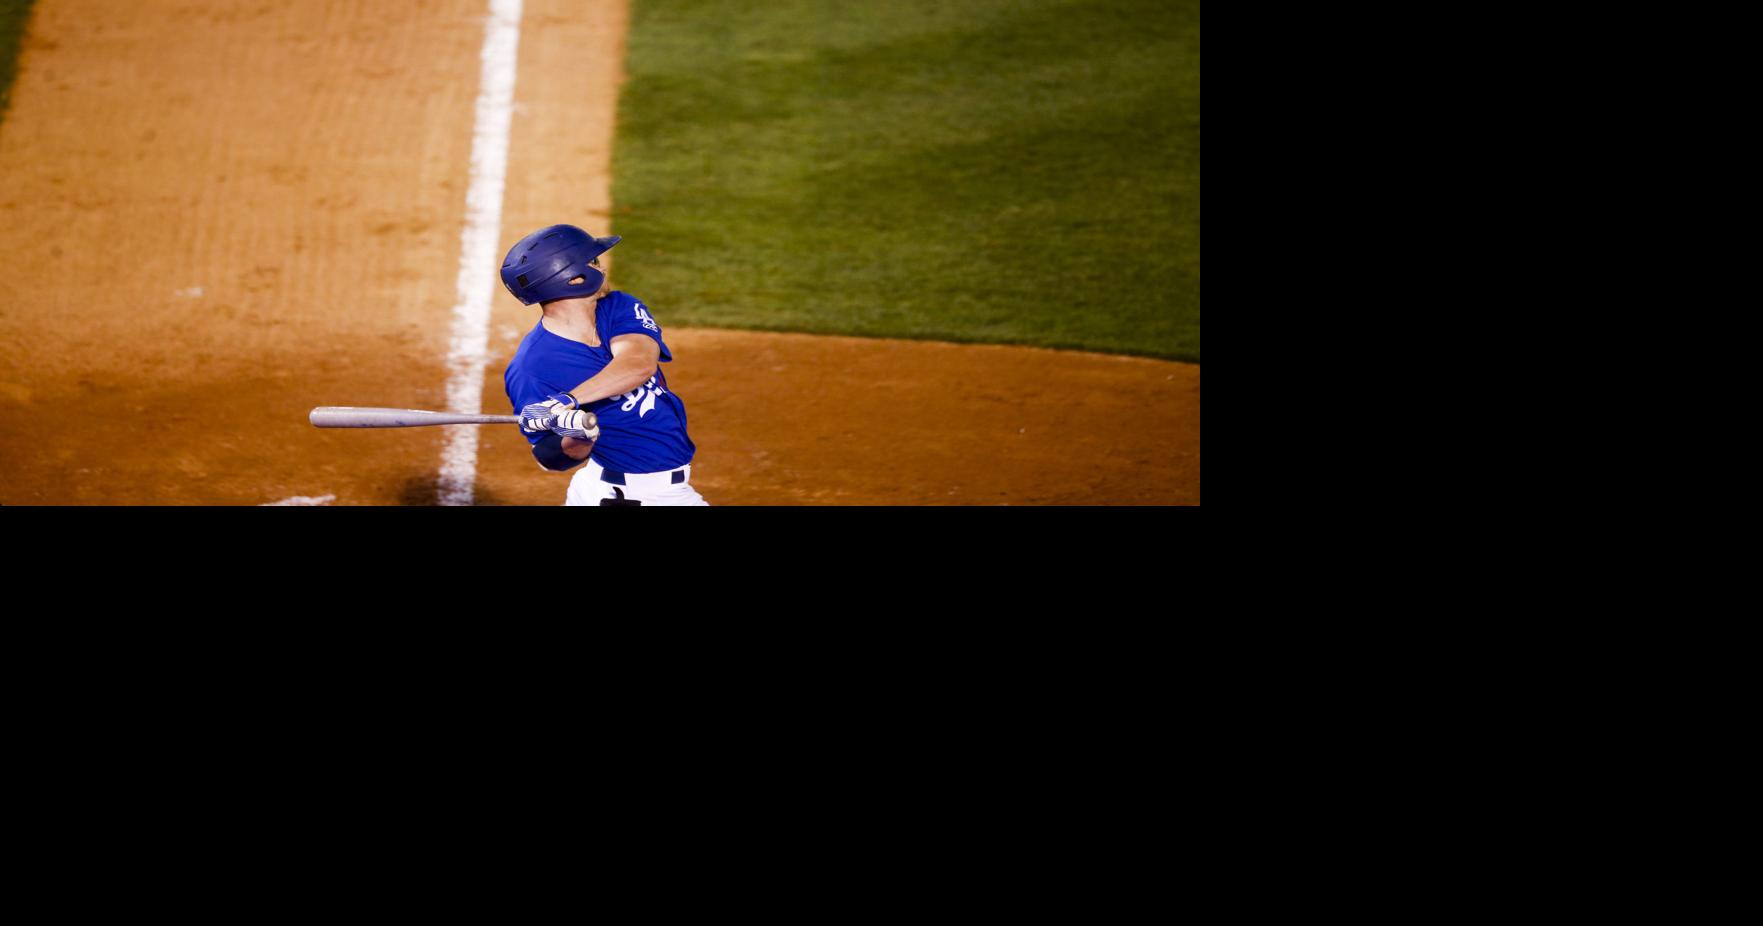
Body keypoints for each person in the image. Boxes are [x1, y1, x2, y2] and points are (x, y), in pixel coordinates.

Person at [499, 224, 706, 506]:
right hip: (634, 497)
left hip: (614, 486)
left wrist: (566, 401)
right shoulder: (531, 369)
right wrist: (578, 437)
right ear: (573, 279)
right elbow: (549, 457)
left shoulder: (617, 306)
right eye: (593, 261)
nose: (602, 268)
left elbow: (638, 364)